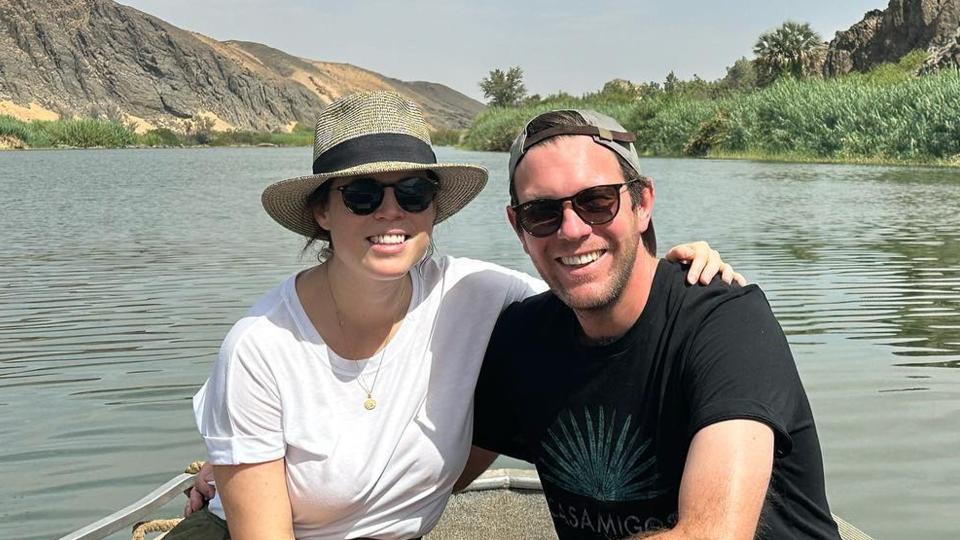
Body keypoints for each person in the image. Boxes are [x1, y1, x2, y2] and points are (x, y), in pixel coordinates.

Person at [169, 91, 741, 540]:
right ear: (322, 210)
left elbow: (594, 286)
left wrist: (676, 271)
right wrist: (236, 460)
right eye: (363, 195)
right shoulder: (261, 347)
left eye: (413, 192)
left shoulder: (478, 295)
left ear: (434, 208)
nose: (391, 212)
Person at [468, 109, 841, 539]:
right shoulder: (523, 341)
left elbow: (713, 536)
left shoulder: (726, 322)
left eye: (597, 201)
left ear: (642, 204)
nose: (571, 230)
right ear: (519, 227)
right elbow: (430, 479)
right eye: (542, 212)